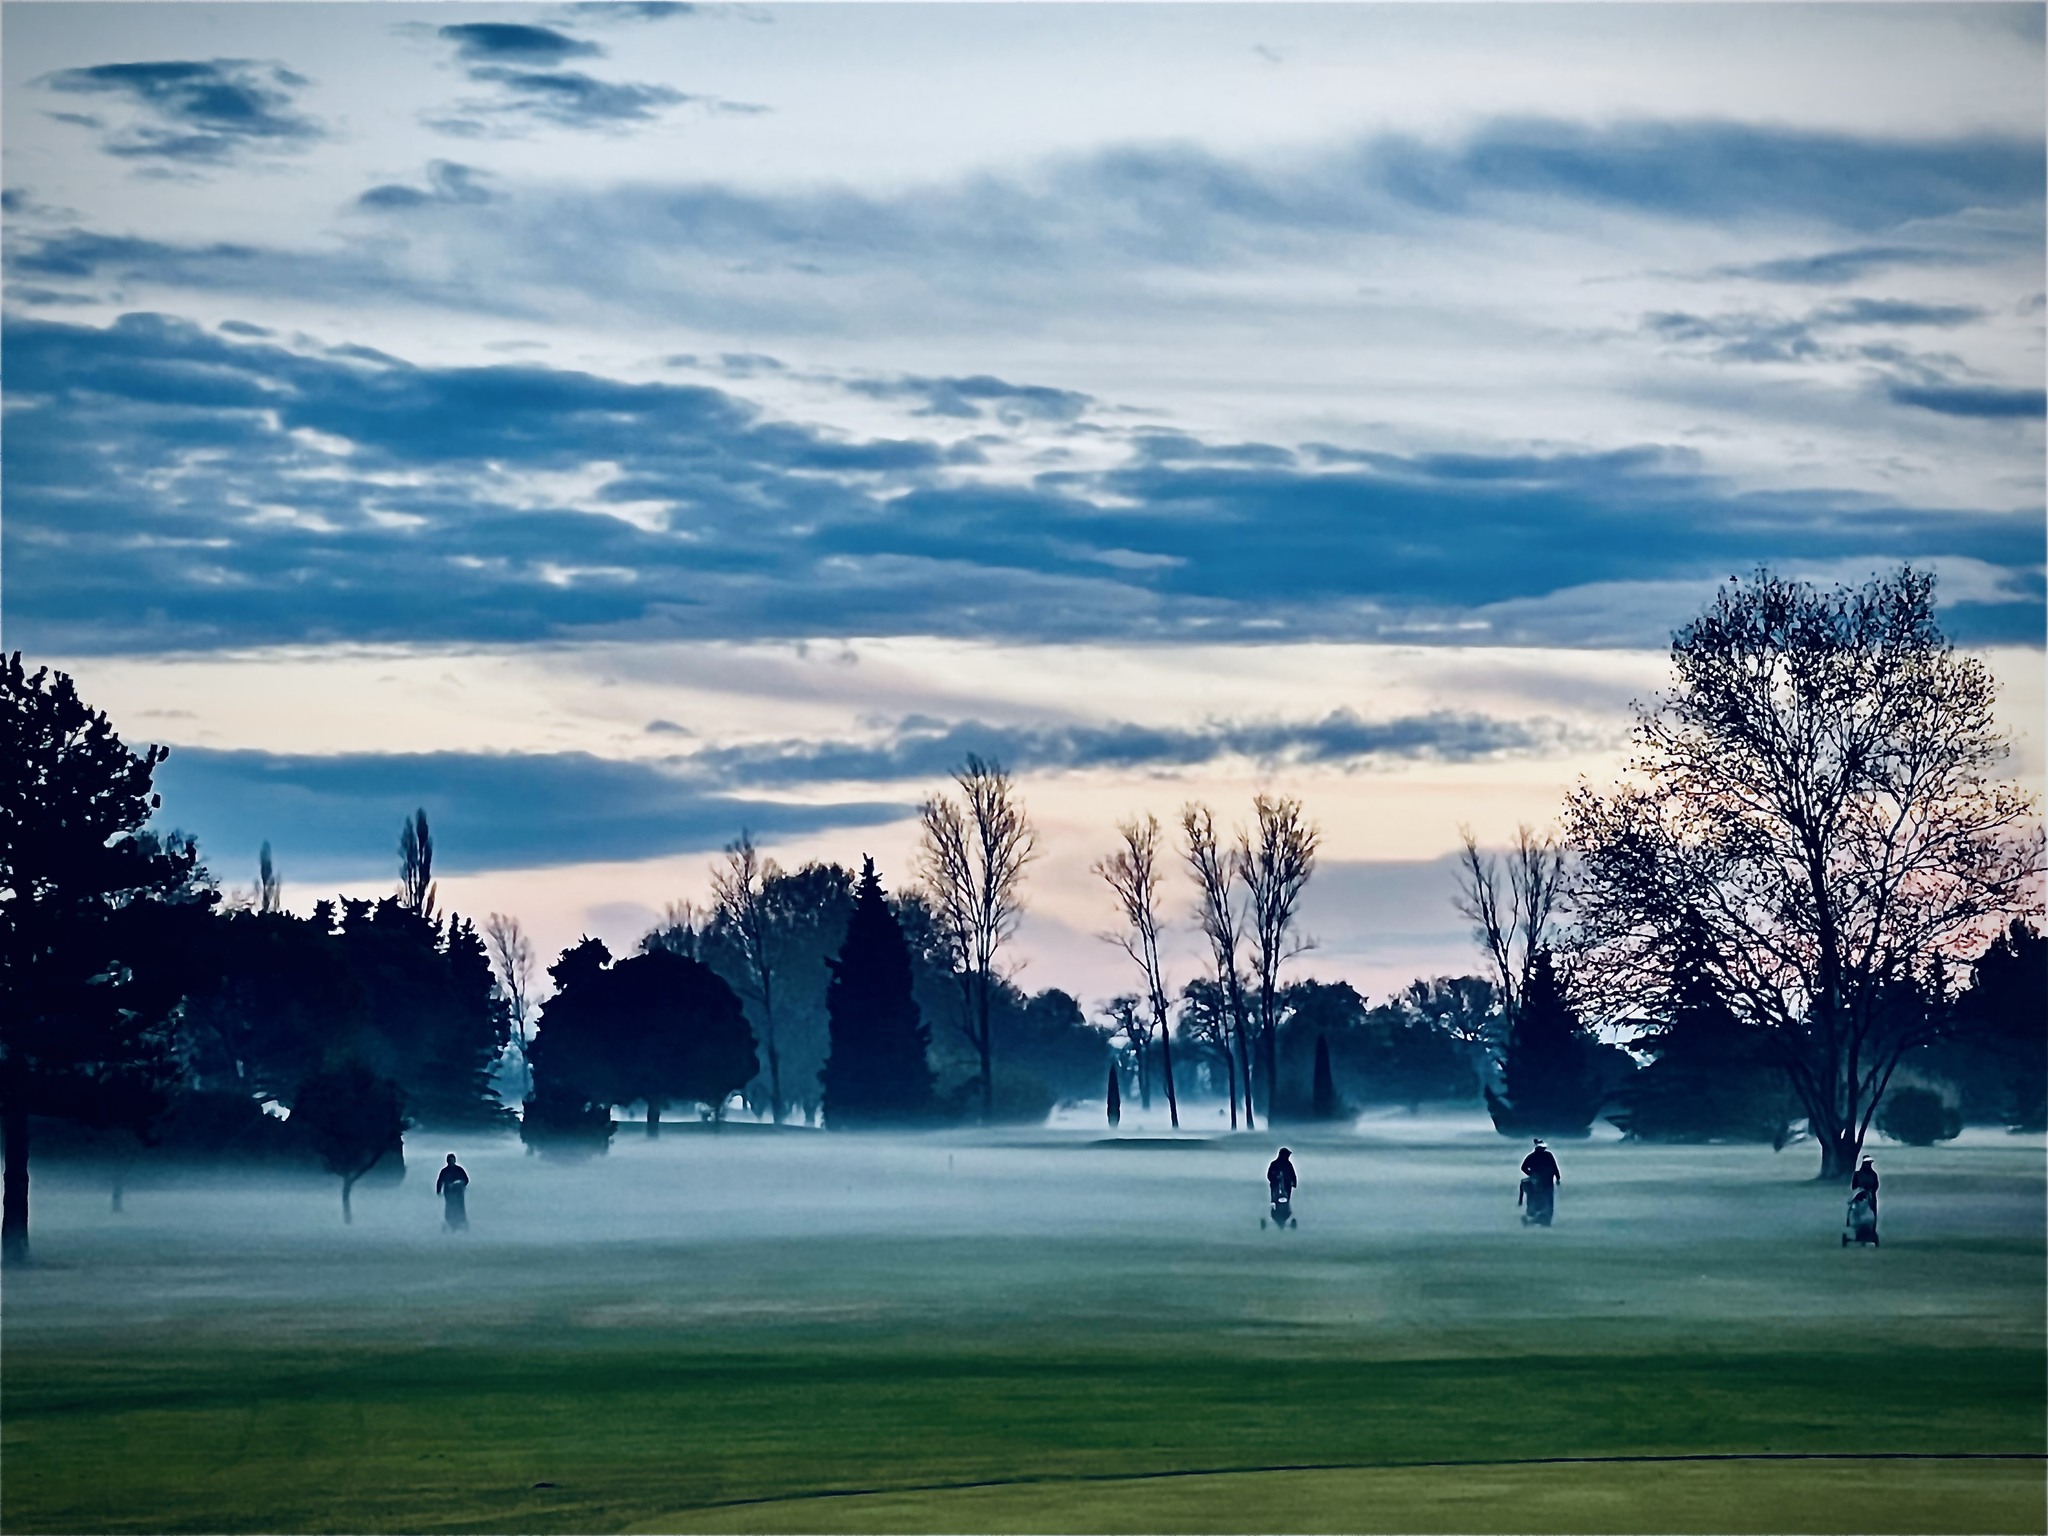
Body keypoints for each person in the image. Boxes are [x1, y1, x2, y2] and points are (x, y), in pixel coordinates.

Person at [1520, 1137, 1561, 1226]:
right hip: (1542, 1183)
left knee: (1543, 1200)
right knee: (1544, 1200)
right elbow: (1554, 1167)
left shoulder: (1535, 1156)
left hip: (1544, 1182)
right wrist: (1532, 1174)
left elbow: (1554, 1167)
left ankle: (1540, 1218)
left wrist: (1557, 1177)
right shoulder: (1544, 1156)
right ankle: (1542, 1219)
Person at [436, 1153, 470, 1232]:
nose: (451, 1161)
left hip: (459, 1194)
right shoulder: (444, 1171)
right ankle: (450, 1222)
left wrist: (459, 1184)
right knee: (449, 1207)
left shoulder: (459, 1170)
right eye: (449, 1160)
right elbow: (440, 1181)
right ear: (447, 1161)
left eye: (452, 1160)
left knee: (460, 1207)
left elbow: (466, 1180)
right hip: (448, 1193)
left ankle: (461, 1222)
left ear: (455, 1160)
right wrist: (438, 1190)